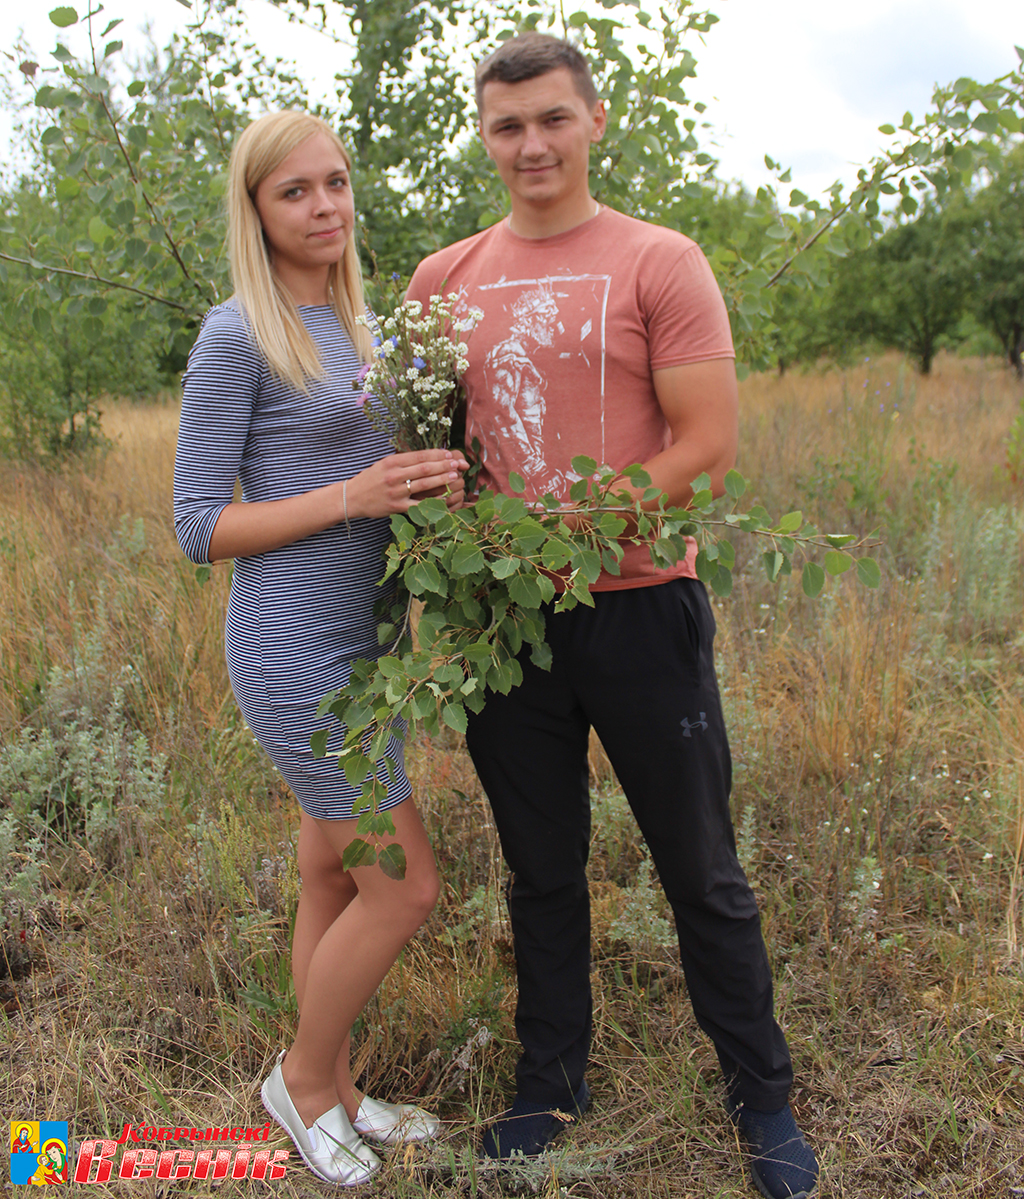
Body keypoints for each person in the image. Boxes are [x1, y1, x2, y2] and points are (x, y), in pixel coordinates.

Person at [406, 33, 818, 1199]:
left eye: (551, 118)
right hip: (504, 627)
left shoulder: (659, 260)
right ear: (484, 136)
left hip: (639, 608)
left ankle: (761, 1096)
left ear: (595, 119)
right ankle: (548, 1084)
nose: (530, 144)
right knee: (539, 869)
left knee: (700, 866)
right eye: (507, 125)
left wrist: (568, 530)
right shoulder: (441, 280)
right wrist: (449, 531)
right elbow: (429, 448)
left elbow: (705, 447)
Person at [174, 110, 469, 1187]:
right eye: (293, 190)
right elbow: (197, 524)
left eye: (335, 182)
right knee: (403, 884)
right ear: (255, 210)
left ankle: (339, 1088)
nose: (323, 205)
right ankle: (300, 1084)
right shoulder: (236, 335)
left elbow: (386, 482)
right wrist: (353, 494)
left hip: (368, 646)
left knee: (329, 877)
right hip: (293, 645)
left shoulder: (366, 328)